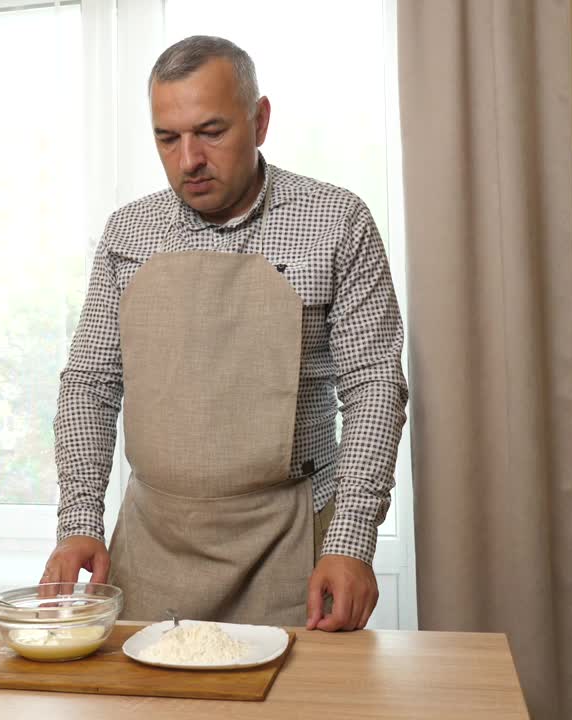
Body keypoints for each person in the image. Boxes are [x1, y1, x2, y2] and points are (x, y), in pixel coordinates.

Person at [42, 35, 407, 632]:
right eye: (168, 137)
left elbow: (374, 389)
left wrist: (351, 540)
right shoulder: (127, 232)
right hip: (150, 549)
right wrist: (79, 520)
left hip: (294, 544)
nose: (189, 160)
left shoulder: (337, 221)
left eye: (211, 132)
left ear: (259, 121)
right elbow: (90, 383)